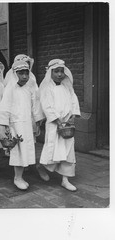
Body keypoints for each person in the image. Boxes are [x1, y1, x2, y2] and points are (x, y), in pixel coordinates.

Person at [0, 60, 44, 190]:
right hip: (15, 125)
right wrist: (4, 125)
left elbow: (35, 105)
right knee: (18, 151)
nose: (24, 76)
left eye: (26, 73)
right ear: (14, 74)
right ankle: (17, 177)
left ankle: (21, 174)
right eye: (20, 73)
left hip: (27, 124)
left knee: (27, 149)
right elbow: (5, 107)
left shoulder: (30, 88)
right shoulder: (10, 89)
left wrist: (38, 121)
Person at [38, 59, 81, 191]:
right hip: (54, 124)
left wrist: (73, 115)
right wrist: (57, 121)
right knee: (52, 149)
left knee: (68, 150)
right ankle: (41, 167)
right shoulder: (47, 88)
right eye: (56, 71)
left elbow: (74, 101)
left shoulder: (67, 87)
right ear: (50, 72)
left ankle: (65, 179)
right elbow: (47, 106)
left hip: (67, 124)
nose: (59, 74)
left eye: (61, 71)